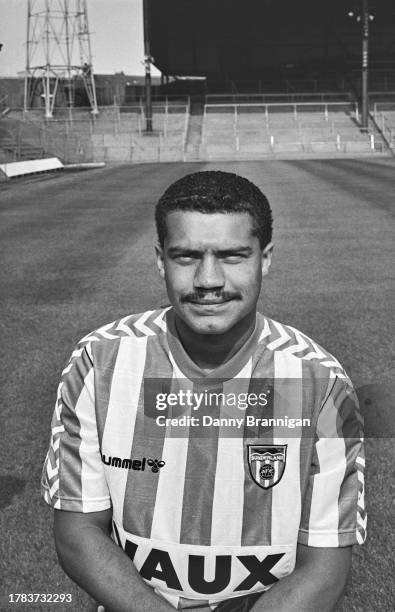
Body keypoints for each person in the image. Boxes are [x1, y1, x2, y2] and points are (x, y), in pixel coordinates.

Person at [41, 171, 366, 611]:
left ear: (264, 258)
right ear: (160, 259)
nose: (208, 280)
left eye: (233, 256)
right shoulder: (99, 363)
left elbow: (326, 563)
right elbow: (78, 532)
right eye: (186, 256)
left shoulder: (319, 382)